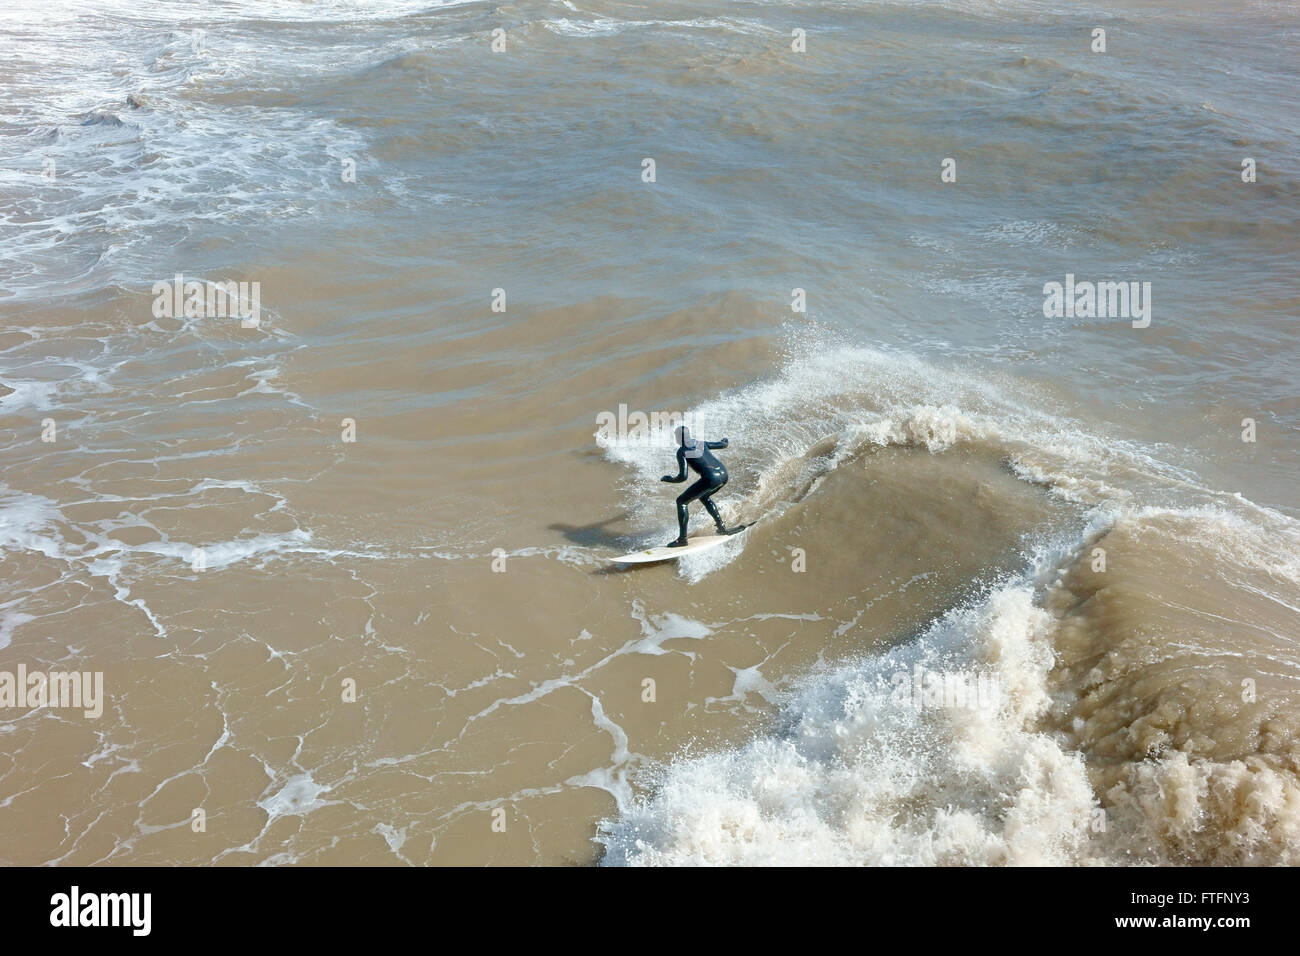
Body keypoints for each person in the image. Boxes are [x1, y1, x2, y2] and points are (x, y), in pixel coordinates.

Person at [661, 425, 737, 546]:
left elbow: (683, 477)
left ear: (678, 438)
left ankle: (682, 539)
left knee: (681, 502)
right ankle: (721, 528)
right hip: (723, 474)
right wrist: (725, 440)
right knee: (704, 496)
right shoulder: (700, 443)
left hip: (711, 478)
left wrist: (669, 479)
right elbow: (723, 445)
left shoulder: (682, 451)